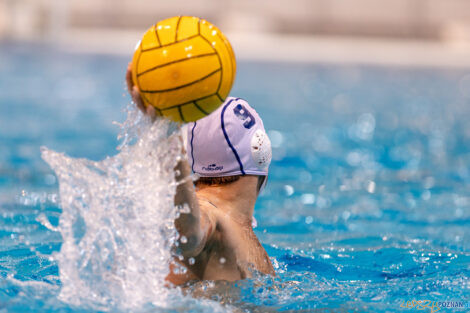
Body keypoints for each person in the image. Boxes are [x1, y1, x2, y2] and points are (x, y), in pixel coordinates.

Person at [126, 65, 274, 285]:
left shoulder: (232, 222)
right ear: (262, 153)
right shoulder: (214, 217)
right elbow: (189, 234)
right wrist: (168, 142)